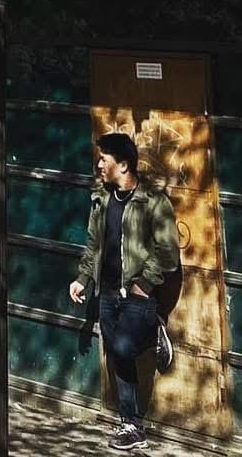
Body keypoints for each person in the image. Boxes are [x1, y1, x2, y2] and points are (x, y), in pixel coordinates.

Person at [69, 130, 180, 450]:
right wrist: (82, 279)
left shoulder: (153, 202)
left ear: (124, 164)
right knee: (119, 357)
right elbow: (93, 245)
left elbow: (168, 253)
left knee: (122, 348)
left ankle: (153, 331)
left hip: (136, 294)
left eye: (104, 159)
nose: (99, 165)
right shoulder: (101, 199)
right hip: (106, 292)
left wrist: (144, 285)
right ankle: (131, 425)